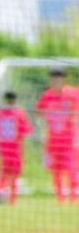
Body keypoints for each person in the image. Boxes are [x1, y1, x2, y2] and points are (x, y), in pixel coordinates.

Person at [36, 69, 79, 204]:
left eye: (59, 79)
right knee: (56, 169)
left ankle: (75, 196)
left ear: (64, 80)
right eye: (54, 80)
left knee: (72, 167)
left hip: (70, 139)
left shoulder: (73, 94)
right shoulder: (47, 96)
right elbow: (38, 114)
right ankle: (61, 198)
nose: (56, 82)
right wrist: (42, 132)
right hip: (53, 140)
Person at [0, 91, 32, 205]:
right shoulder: (19, 113)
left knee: (3, 174)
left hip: (4, 149)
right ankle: (12, 200)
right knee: (14, 175)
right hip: (15, 150)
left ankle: (0, 191)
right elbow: (26, 131)